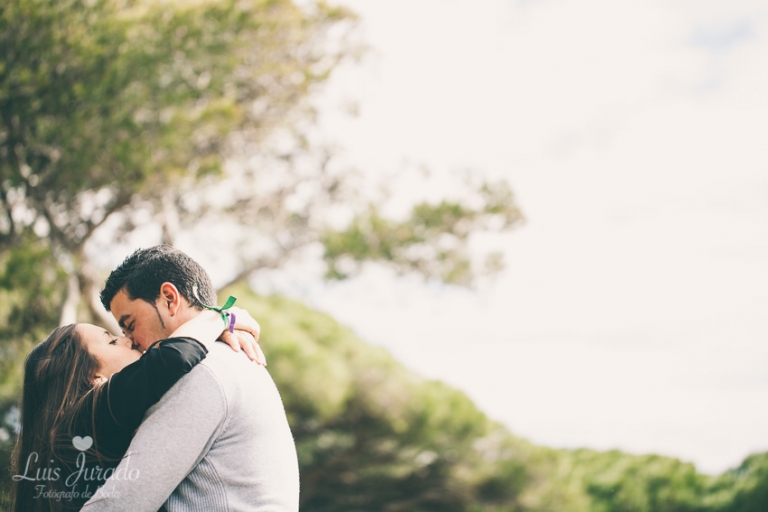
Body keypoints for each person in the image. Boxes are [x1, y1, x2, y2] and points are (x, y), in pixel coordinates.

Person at [83, 245, 300, 511]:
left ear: (169, 299)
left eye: (130, 325)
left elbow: (122, 503)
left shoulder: (202, 373)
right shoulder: (229, 360)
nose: (132, 341)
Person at [12, 298, 262, 512]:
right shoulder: (93, 410)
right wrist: (221, 317)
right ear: (93, 377)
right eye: (111, 341)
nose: (127, 340)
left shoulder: (76, 428)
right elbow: (173, 357)